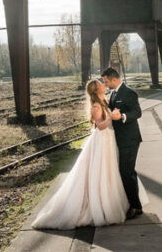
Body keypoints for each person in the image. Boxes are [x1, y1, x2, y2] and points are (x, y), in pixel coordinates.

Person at [32, 77, 147, 229]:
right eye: (101, 84)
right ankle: (100, 205)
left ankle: (115, 202)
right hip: (102, 140)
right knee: (101, 172)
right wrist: (111, 117)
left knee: (110, 171)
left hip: (108, 140)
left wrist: (115, 115)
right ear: (96, 90)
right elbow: (100, 126)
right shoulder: (97, 106)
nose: (104, 85)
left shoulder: (105, 101)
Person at [103, 67, 145, 219]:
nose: (105, 84)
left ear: (114, 79)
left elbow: (137, 112)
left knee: (126, 172)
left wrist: (122, 116)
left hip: (130, 139)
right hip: (119, 139)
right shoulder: (113, 93)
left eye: (106, 81)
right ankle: (133, 203)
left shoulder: (129, 92)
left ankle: (135, 207)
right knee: (127, 172)